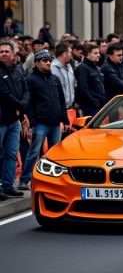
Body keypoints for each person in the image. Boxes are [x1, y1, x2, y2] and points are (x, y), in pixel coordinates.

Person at [20, 50, 70, 190]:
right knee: (34, 152)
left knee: (55, 153)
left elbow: (61, 100)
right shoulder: (31, 80)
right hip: (40, 123)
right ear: (37, 62)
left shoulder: (55, 79)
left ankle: (52, 179)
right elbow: (29, 103)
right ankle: (24, 180)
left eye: (49, 60)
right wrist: (33, 122)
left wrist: (65, 119)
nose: (48, 62)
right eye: (44, 60)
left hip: (55, 123)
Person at [0, 40, 29, 198]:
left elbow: (25, 91)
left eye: (6, 51)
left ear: (13, 53)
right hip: (1, 120)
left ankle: (8, 185)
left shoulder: (18, 70)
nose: (3, 54)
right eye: (1, 51)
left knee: (11, 154)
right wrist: (21, 106)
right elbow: (4, 95)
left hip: (14, 120)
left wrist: (22, 107)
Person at [75, 44, 106, 117]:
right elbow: (83, 89)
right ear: (87, 54)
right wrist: (95, 102)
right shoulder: (82, 68)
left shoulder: (96, 68)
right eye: (95, 53)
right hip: (89, 107)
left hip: (99, 105)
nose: (98, 55)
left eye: (98, 53)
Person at [51, 42, 76, 111]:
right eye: (70, 52)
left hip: (70, 107)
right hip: (60, 108)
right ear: (65, 54)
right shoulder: (54, 68)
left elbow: (74, 85)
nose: (71, 55)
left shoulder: (69, 66)